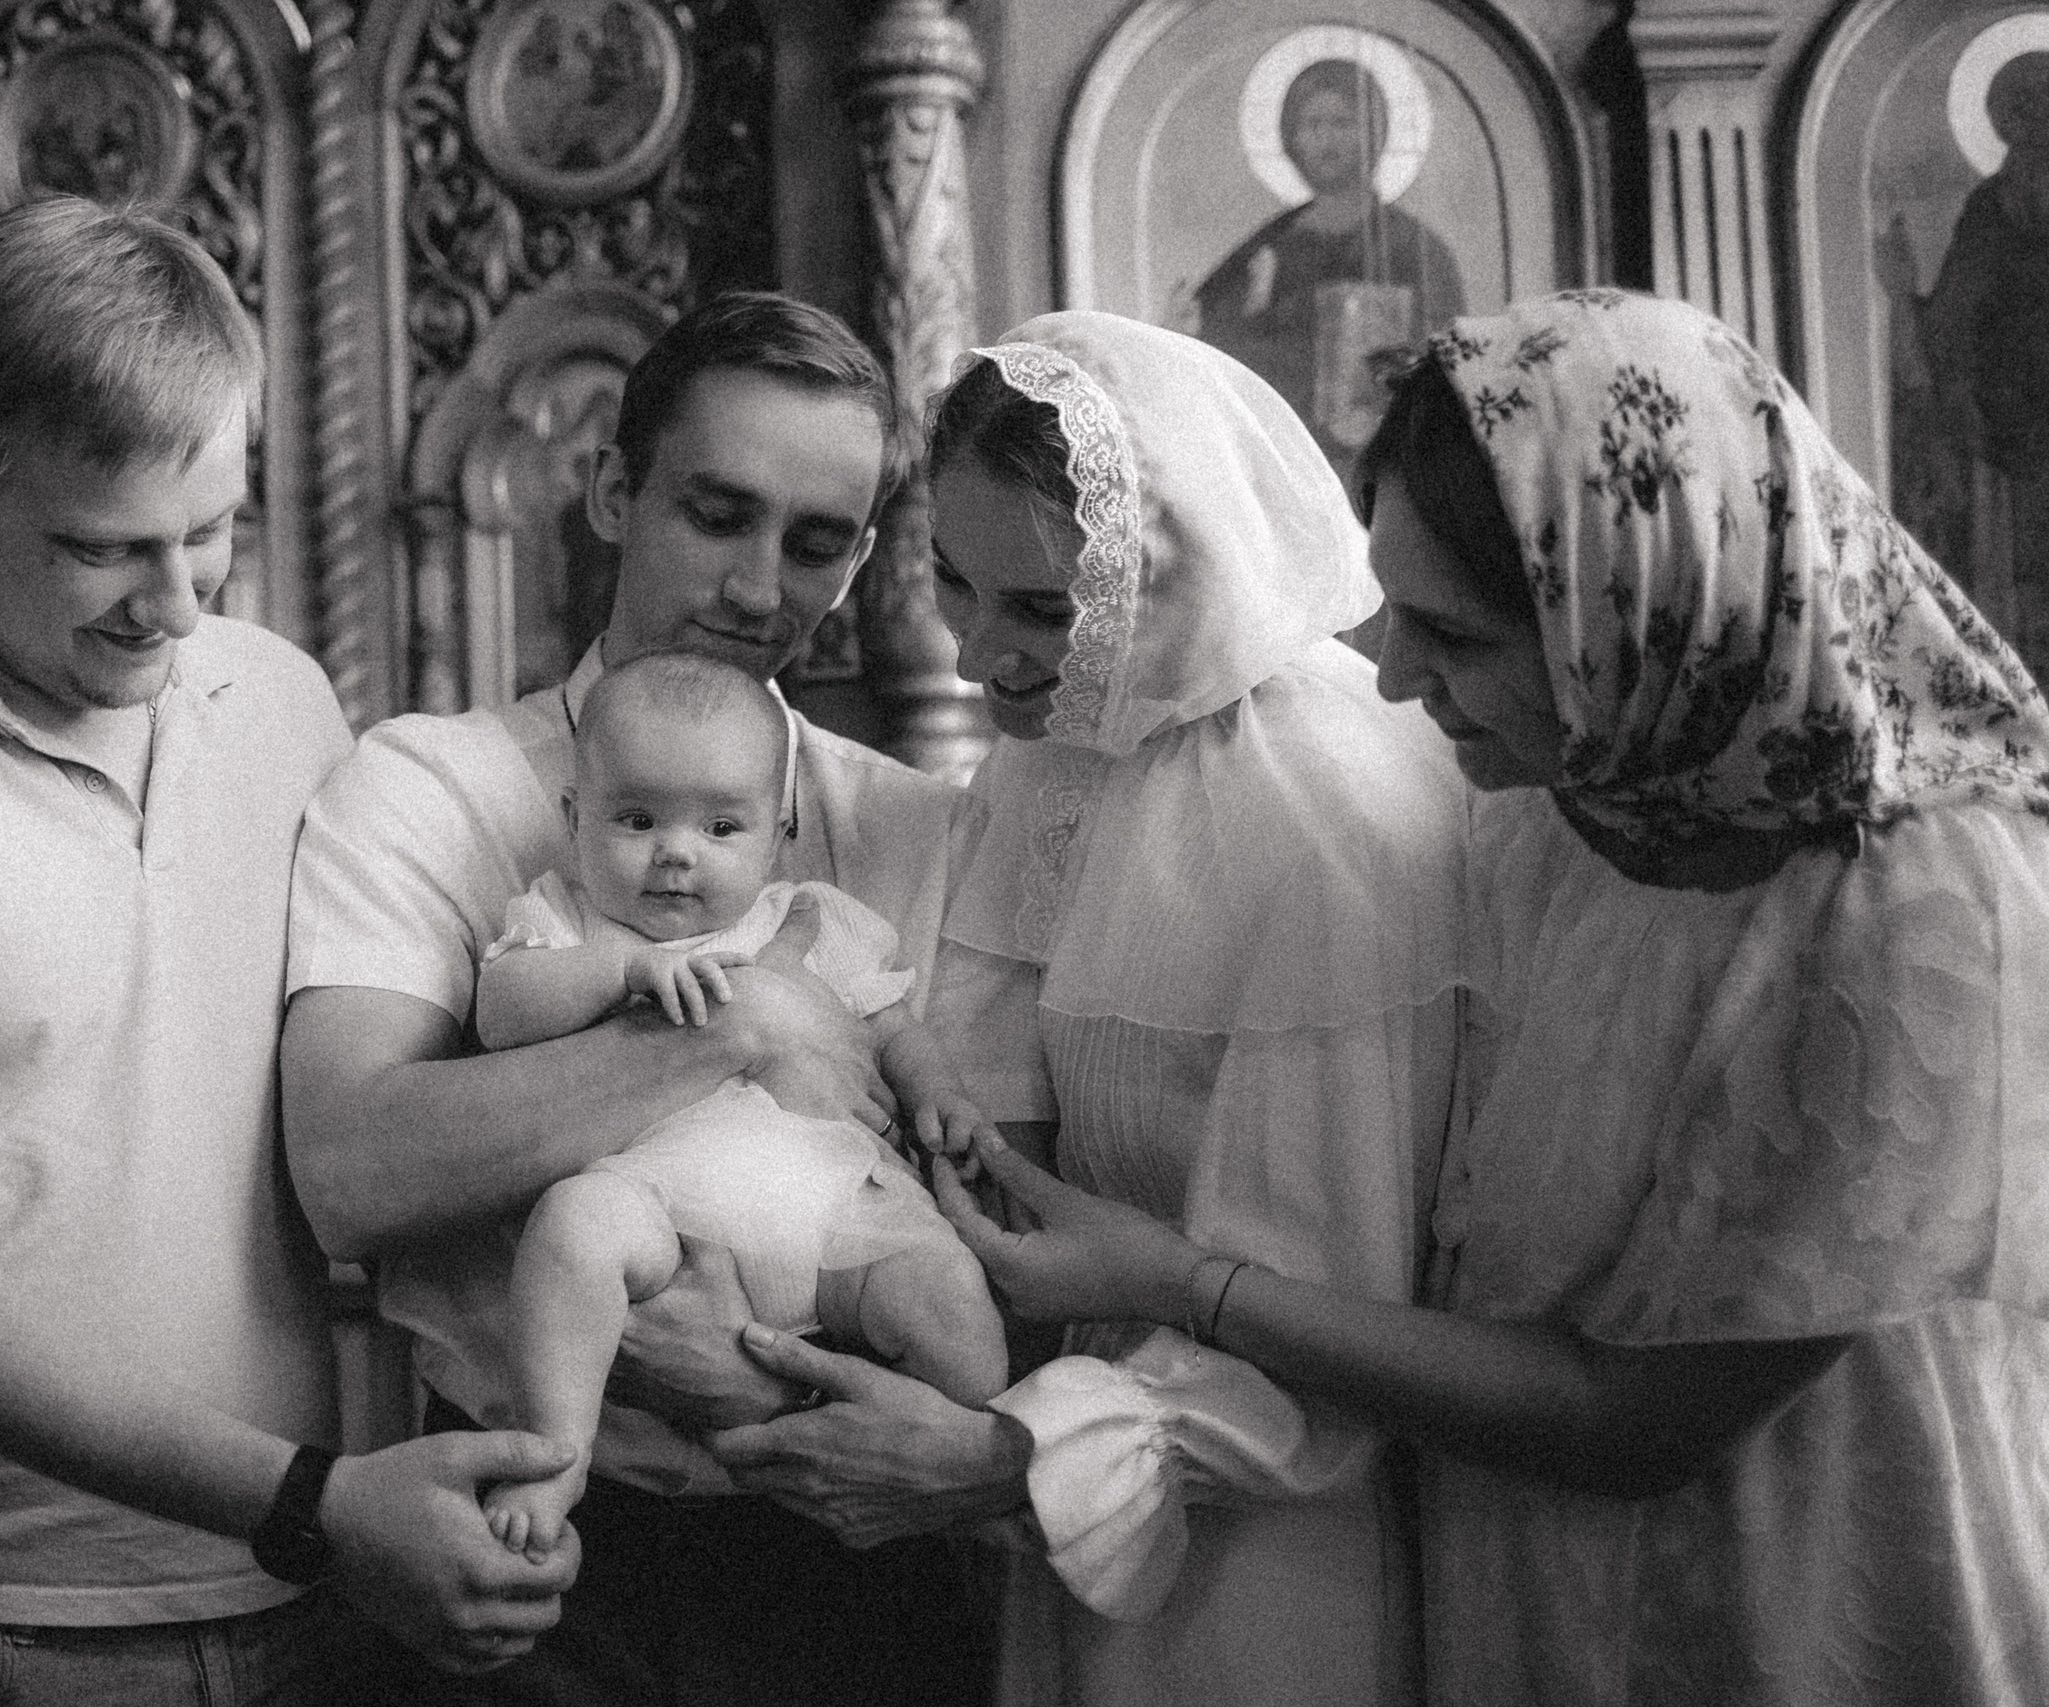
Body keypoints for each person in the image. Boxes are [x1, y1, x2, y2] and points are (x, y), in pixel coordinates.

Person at [914, 290, 2049, 1703]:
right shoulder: (1560, 804)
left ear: (1631, 611)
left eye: (1453, 635)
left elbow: (1637, 1417)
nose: (1392, 679)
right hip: (1510, 1563)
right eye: (1399, 615)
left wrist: (1176, 1278)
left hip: (1806, 1572)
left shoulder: (1916, 897)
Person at [0, 196, 578, 1703]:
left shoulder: (274, 694)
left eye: (214, 528)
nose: (180, 602)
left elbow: (374, 1117)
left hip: (312, 1597)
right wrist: (314, 1497)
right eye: (104, 548)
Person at [709, 310, 1468, 1707]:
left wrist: (1008, 1454)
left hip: (1277, 1524)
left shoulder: (1327, 817)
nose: (975, 655)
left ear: (1163, 571)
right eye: (954, 583)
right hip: (1063, 1484)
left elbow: (1349, 1319)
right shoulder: (1060, 756)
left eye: (1044, 608)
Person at [280, 291, 986, 1705]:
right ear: (613, 489)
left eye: (816, 541)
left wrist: (760, 1382)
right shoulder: (427, 786)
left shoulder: (912, 827)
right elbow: (351, 1171)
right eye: (716, 513)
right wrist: (743, 1019)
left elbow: (965, 1198)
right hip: (550, 1544)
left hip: (869, 1547)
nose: (756, 585)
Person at [473, 650, 1006, 1562]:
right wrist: (619, 970)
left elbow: (891, 1023)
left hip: (840, 1214)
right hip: (661, 1217)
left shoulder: (810, 914)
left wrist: (941, 1094)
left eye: (721, 825)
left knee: (951, 1297)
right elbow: (498, 1013)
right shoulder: (566, 919)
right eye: (636, 819)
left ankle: (955, 1450)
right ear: (574, 821)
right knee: (573, 1228)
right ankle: (555, 1454)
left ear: (777, 834)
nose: (675, 851)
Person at [1179, 56, 1465, 462]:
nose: (1327, 140)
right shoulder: (1270, 246)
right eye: (1313, 126)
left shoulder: (1413, 245)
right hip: (1282, 454)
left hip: (1388, 457)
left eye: (1343, 124)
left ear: (1374, 133)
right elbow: (1213, 344)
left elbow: (1445, 359)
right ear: (1291, 138)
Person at [1878, 49, 2049, 679]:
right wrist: (1902, 295)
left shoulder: (1997, 205)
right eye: (2032, 122)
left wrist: (1905, 297)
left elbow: (1946, 328)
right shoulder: (1991, 212)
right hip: (2009, 437)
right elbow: (1950, 328)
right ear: (2012, 130)